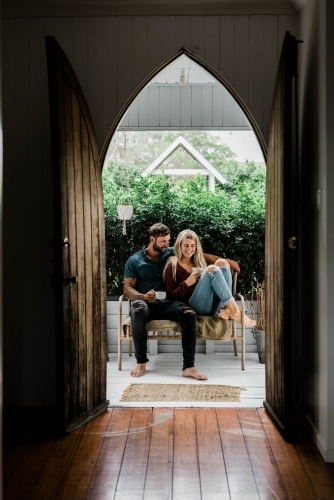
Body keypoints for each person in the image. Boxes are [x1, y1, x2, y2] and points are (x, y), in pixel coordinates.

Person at [123, 222, 208, 380]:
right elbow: (127, 289)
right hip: (145, 302)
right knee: (137, 310)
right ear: (152, 240)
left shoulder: (169, 253)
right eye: (163, 241)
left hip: (168, 302)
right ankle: (141, 362)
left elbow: (198, 254)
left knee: (189, 313)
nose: (167, 244)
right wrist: (142, 296)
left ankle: (189, 367)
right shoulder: (134, 260)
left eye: (169, 241)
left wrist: (225, 262)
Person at [164, 229, 256, 327]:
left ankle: (228, 309)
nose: (189, 249)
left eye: (192, 246)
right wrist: (187, 284)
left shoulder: (198, 262)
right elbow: (171, 296)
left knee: (222, 262)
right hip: (192, 307)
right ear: (179, 246)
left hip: (211, 305)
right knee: (212, 268)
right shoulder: (172, 265)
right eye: (186, 245)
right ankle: (235, 310)